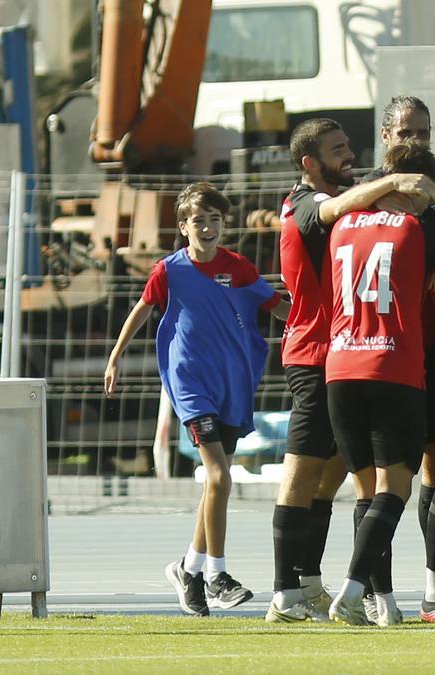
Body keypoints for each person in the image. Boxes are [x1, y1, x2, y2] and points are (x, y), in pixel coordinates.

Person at [268, 118, 435, 623]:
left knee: (338, 477)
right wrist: (389, 183)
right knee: (303, 473)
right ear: (309, 163)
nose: (349, 156)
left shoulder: (353, 202)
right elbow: (336, 207)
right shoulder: (302, 204)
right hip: (311, 355)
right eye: (337, 150)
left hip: (343, 355)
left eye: (348, 147)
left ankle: (319, 585)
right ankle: (284, 593)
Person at [105, 182, 289, 616]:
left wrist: (320, 320)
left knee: (214, 485)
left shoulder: (239, 268)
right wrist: (115, 356)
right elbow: (143, 308)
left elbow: (277, 306)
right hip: (191, 387)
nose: (207, 228)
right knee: (221, 478)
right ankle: (216, 575)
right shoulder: (169, 271)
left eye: (215, 220)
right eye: (198, 221)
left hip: (232, 386)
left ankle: (187, 568)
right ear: (183, 227)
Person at [326, 140, 435, 626]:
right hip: (392, 367)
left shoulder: (341, 224)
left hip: (341, 367)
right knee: (394, 490)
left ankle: (384, 604)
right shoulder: (423, 226)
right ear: (418, 187)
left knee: (364, 493)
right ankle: (353, 590)